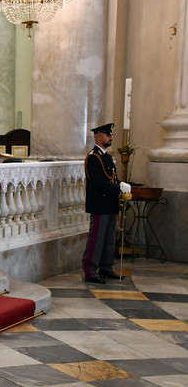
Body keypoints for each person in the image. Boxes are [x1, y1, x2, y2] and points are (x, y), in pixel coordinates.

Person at [81, 122, 131, 284]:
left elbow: (112, 179)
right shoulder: (93, 157)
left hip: (110, 203)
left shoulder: (107, 157)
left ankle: (106, 268)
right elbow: (97, 182)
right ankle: (90, 271)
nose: (111, 137)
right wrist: (118, 188)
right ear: (98, 136)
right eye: (108, 135)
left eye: (111, 135)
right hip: (100, 204)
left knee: (109, 239)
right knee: (96, 239)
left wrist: (120, 185)